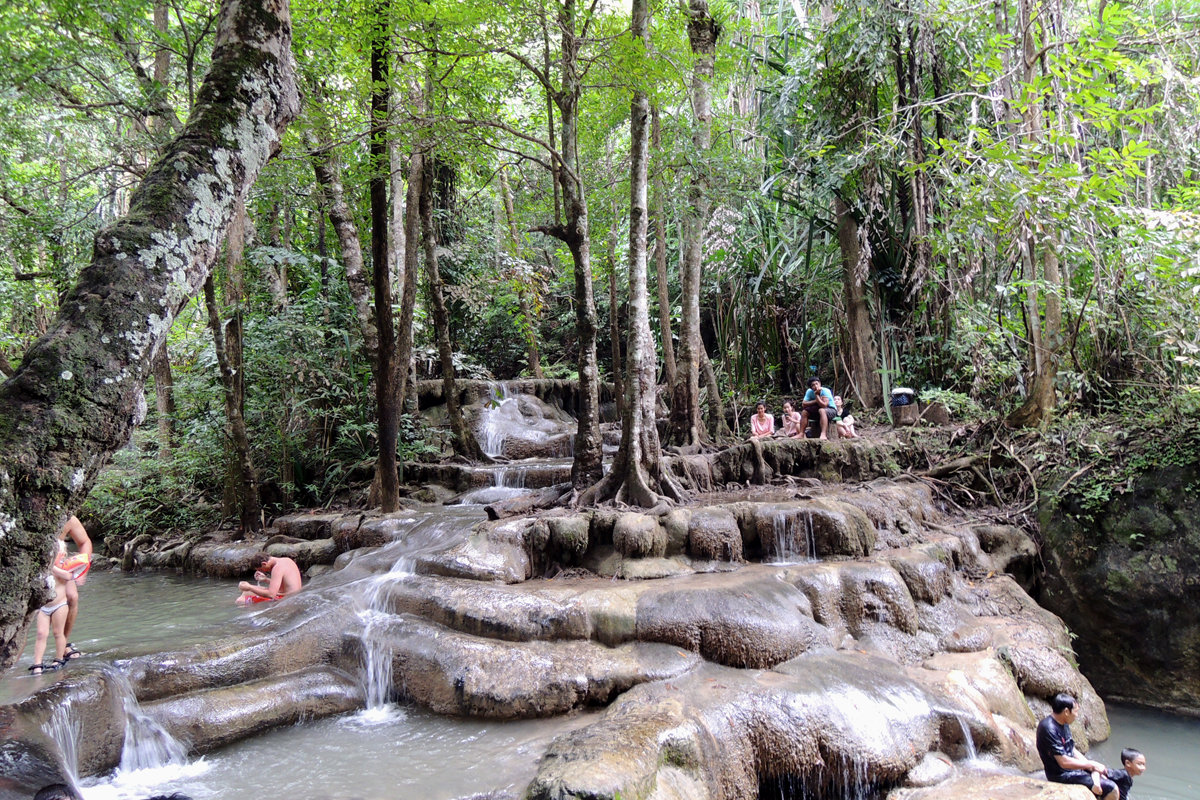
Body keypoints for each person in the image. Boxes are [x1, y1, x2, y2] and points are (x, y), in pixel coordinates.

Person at [1036, 693, 1117, 799]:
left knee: (1107, 774)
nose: (1077, 715)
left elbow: (1072, 749)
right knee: (1111, 788)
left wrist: (1090, 765)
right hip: (1061, 775)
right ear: (1066, 712)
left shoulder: (1063, 723)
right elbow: (1063, 762)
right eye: (1076, 711)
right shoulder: (1048, 728)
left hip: (1073, 769)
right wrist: (1090, 765)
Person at [29, 542, 72, 675]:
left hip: (60, 605)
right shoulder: (42, 568)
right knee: (41, 634)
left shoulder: (63, 567)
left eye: (60, 551)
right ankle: (37, 663)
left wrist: (51, 567)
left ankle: (59, 658)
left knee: (58, 633)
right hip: (44, 607)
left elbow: (68, 576)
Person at [57, 514, 92, 660]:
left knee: (72, 597)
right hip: (35, 564)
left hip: (59, 565)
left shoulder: (68, 518)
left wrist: (83, 568)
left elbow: (85, 542)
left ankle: (63, 644)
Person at [237, 552, 302, 604]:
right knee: (246, 592)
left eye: (261, 569)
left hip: (287, 599)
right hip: (296, 595)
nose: (264, 571)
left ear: (264, 564)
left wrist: (249, 587)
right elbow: (285, 585)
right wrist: (266, 579)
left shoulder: (277, 568)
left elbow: (271, 595)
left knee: (240, 600)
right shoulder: (287, 560)